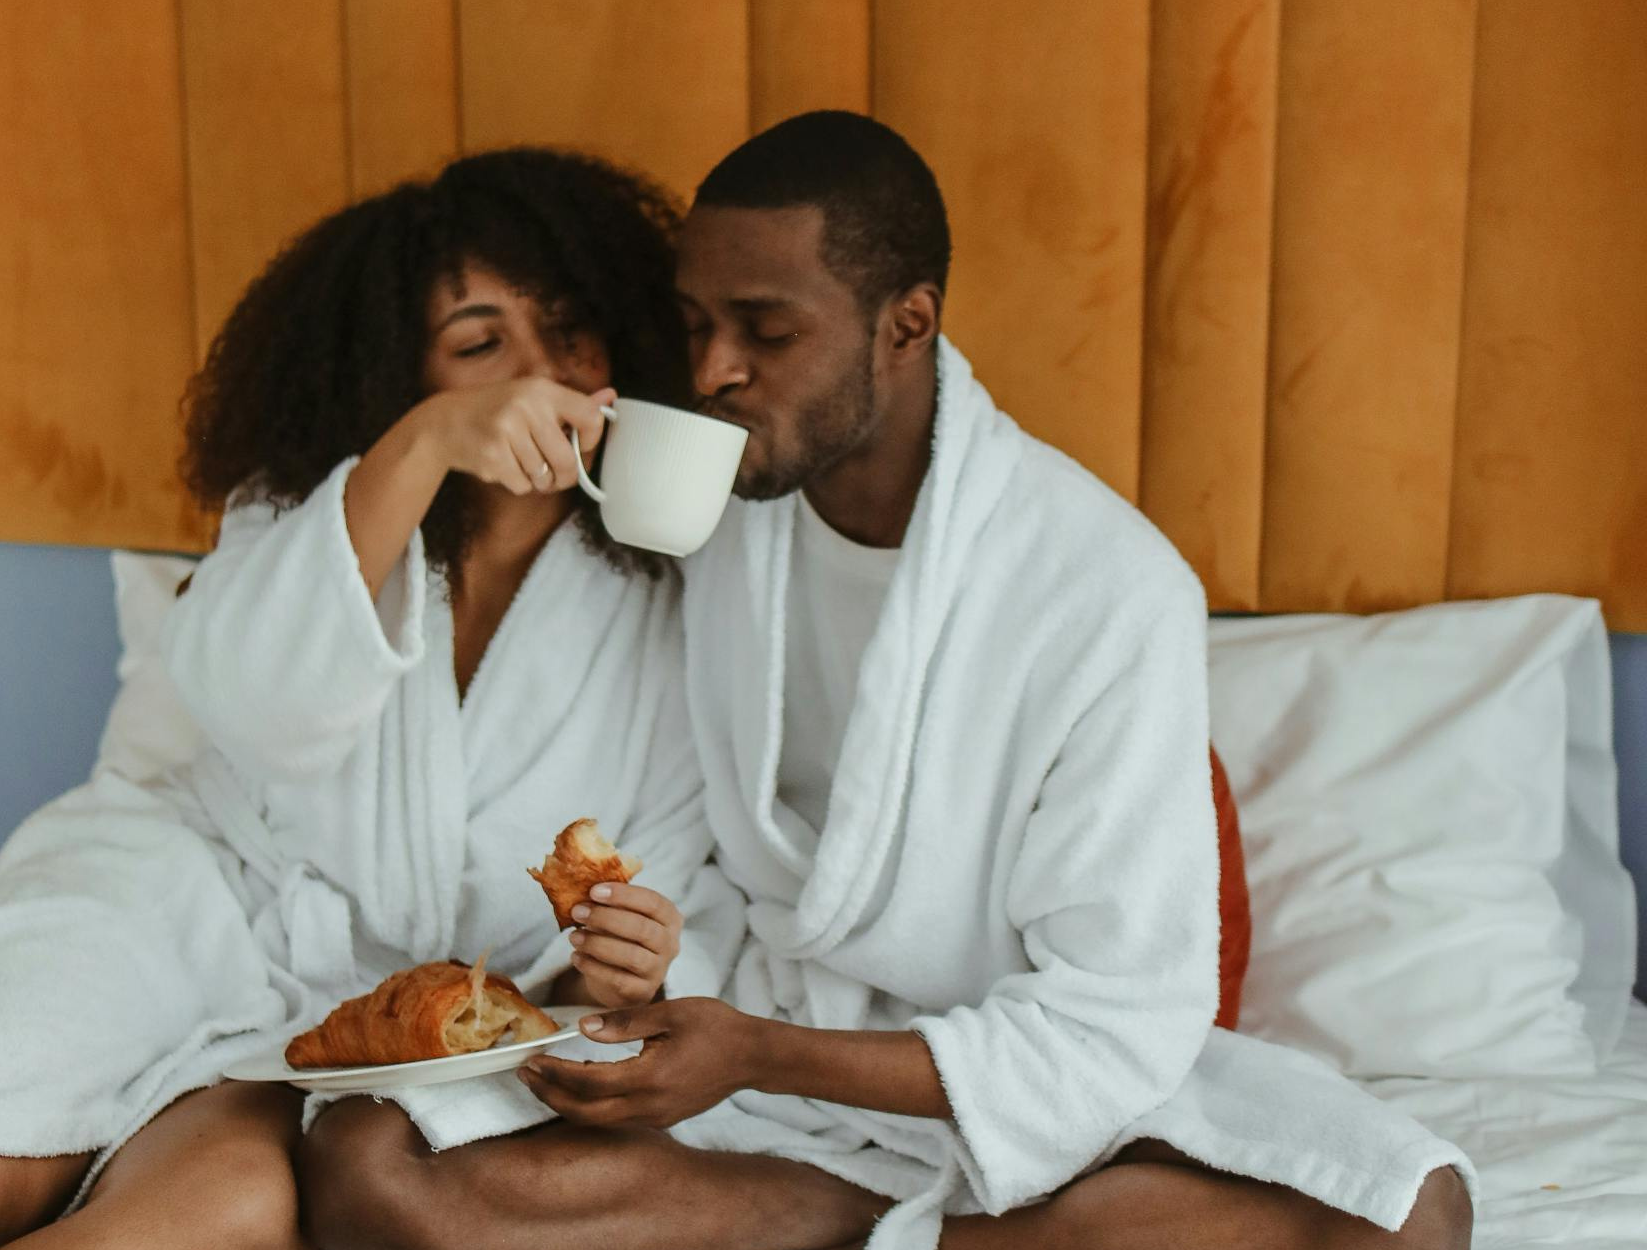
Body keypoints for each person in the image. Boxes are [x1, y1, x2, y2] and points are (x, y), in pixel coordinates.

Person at [297, 113, 1476, 1250]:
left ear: (905, 324)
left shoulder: (1103, 588)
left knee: (1401, 1209)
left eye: (764, 331)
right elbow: (684, 847)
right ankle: (873, 1223)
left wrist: (758, 1052)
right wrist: (653, 964)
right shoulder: (721, 523)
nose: (710, 371)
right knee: (361, 1163)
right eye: (695, 321)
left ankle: (849, 1219)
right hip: (736, 1063)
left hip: (985, 1093)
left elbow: (1117, 1022)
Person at [0, 147, 741, 1250]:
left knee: (218, 1212)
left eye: (566, 327)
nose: (538, 374)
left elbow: (654, 883)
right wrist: (426, 444)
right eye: (478, 344)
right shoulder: (314, 509)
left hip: (377, 1017)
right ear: (398, 377)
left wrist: (613, 960)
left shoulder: (670, 604)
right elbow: (256, 707)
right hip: (176, 904)